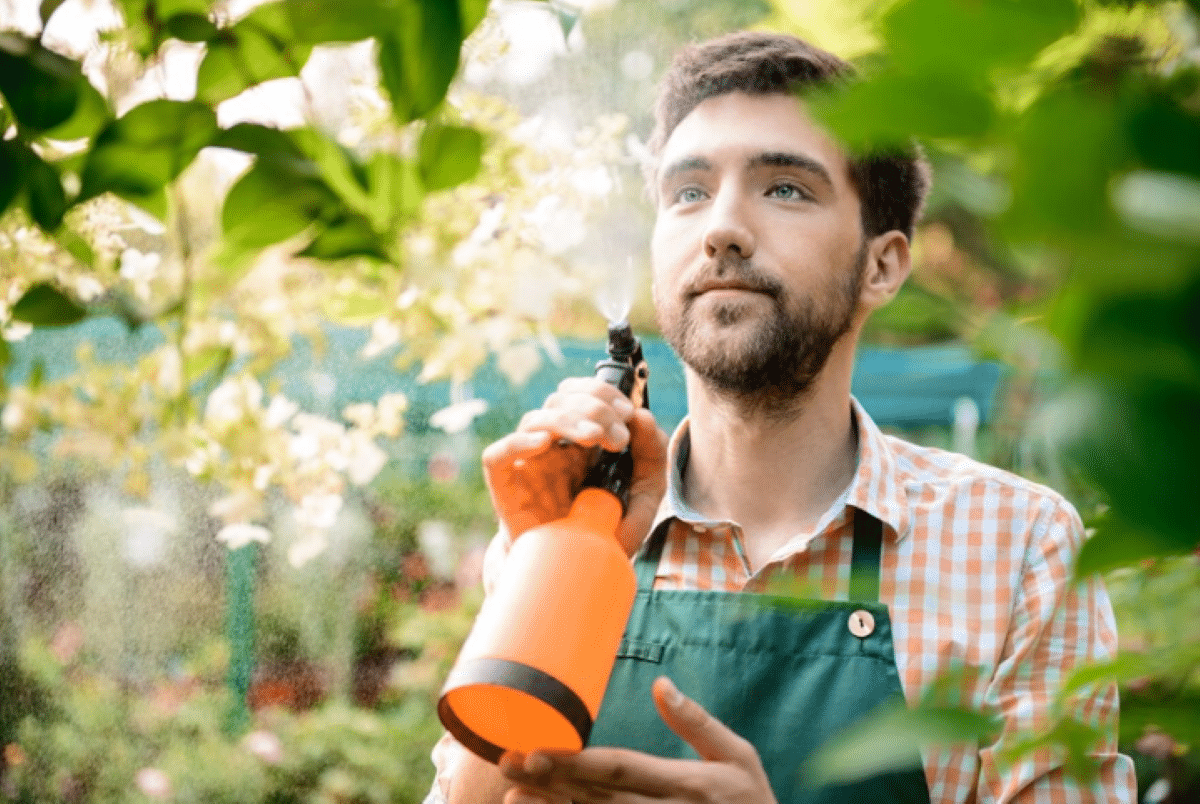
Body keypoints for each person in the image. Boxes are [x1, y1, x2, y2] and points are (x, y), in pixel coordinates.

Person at [425, 31, 1137, 804]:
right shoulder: (569, 534)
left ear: (883, 264)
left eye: (785, 189)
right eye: (688, 192)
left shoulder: (1019, 546)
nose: (720, 228)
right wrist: (544, 563)